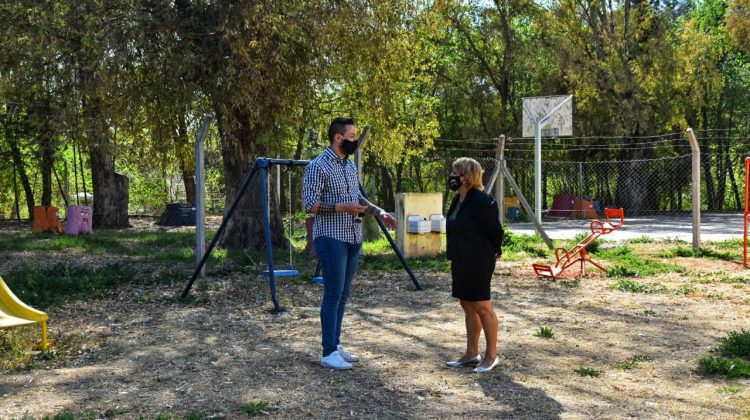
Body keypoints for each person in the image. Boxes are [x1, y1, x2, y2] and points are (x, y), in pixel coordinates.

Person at [303, 117, 397, 370]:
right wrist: (340, 207)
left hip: (353, 236)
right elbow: (309, 205)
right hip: (330, 237)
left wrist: (380, 212)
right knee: (332, 293)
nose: (355, 140)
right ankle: (327, 352)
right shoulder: (318, 166)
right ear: (339, 138)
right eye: (353, 136)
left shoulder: (348, 165)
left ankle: (336, 343)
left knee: (343, 295)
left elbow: (358, 197)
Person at [444, 157, 503, 373]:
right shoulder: (457, 200)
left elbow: (496, 231)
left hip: (478, 260)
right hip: (460, 259)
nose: (451, 177)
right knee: (467, 304)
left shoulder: (481, 201)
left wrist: (496, 251)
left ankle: (491, 356)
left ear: (466, 177)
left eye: (455, 172)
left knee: (482, 306)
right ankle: (471, 353)